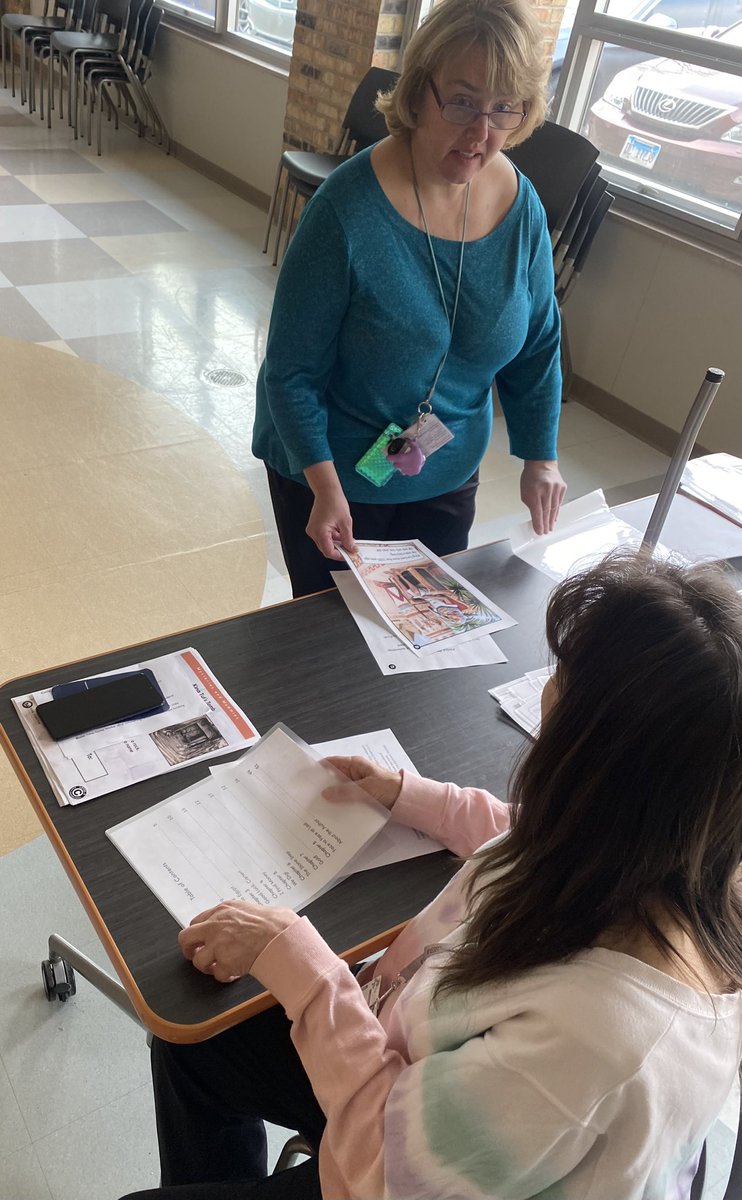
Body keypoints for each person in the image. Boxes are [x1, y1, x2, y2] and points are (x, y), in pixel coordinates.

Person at [122, 551, 742, 1200]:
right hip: (410, 1055)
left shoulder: (593, 1042)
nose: (544, 690)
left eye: (560, 676)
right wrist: (414, 798)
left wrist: (298, 961)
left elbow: (386, 1171)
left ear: (598, 763)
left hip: (395, 1157)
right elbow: (527, 833)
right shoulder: (679, 855)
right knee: (194, 1044)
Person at [252, 0, 567, 598]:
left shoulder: (520, 204)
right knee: (338, 635)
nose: (481, 133)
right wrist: (325, 487)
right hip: (333, 474)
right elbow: (291, 373)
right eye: (462, 102)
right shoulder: (345, 213)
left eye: (504, 107)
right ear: (419, 94)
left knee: (427, 629)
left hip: (445, 467)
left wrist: (540, 457)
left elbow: (539, 341)